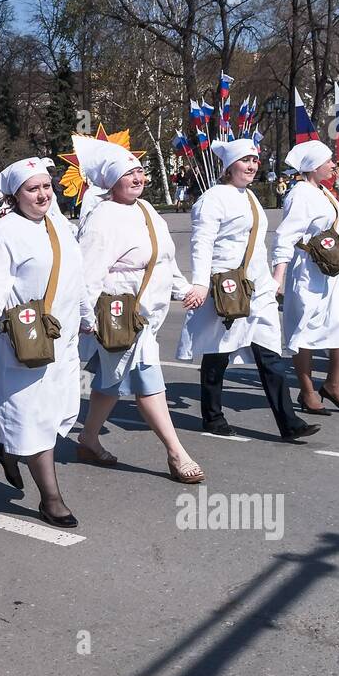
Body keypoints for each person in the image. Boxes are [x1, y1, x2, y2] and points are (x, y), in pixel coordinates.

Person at [0, 157, 91, 528]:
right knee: (32, 419)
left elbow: (75, 275)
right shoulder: (3, 232)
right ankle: (52, 499)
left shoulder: (60, 225)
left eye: (46, 186)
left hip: (61, 342)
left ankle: (9, 447)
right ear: (16, 196)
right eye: (32, 189)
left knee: (59, 414)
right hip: (24, 343)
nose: (42, 194)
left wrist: (87, 316)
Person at [73, 137, 206, 483]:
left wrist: (184, 288)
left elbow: (164, 259)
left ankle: (87, 439)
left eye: (140, 172)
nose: (137, 178)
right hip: (119, 317)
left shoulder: (147, 211)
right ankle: (177, 454)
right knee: (148, 378)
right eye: (128, 174)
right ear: (110, 181)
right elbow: (87, 274)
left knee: (110, 382)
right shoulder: (102, 218)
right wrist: (88, 319)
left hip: (148, 314)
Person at [178, 138, 319, 442]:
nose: (252, 166)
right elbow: (201, 243)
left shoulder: (251, 197)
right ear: (229, 166)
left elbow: (256, 246)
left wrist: (270, 280)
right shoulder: (213, 198)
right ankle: (212, 416)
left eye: (255, 160)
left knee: (270, 354)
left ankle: (289, 422)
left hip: (257, 288)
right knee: (218, 352)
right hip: (226, 285)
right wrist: (201, 283)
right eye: (245, 160)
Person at [271, 140, 339, 414]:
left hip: (336, 272)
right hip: (309, 272)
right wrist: (279, 274)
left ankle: (333, 384)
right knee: (305, 328)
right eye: (329, 162)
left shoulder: (324, 191)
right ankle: (307, 390)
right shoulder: (300, 194)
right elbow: (286, 235)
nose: (334, 166)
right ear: (314, 166)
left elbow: (334, 236)